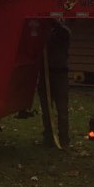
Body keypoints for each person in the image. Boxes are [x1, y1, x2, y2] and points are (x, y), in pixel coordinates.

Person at [38, 19, 71, 148]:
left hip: (60, 75)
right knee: (46, 109)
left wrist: (50, 19)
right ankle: (49, 137)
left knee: (62, 109)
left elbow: (62, 30)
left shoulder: (64, 33)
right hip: (45, 74)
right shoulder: (43, 33)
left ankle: (64, 138)